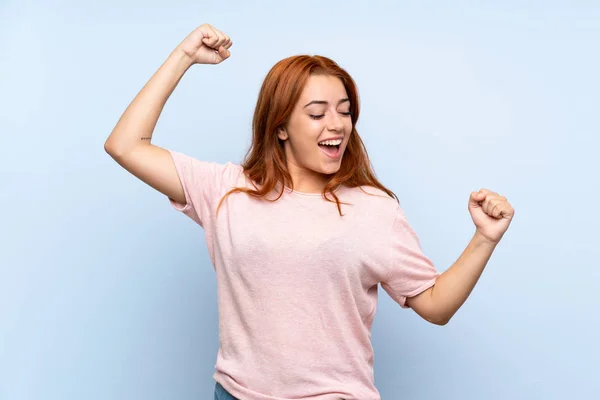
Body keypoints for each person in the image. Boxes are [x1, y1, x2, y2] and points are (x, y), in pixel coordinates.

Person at [104, 23, 515, 400]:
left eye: (345, 110)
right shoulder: (226, 190)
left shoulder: (374, 210)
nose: (336, 124)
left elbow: (435, 305)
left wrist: (484, 238)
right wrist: (185, 56)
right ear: (280, 126)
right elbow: (125, 145)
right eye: (317, 113)